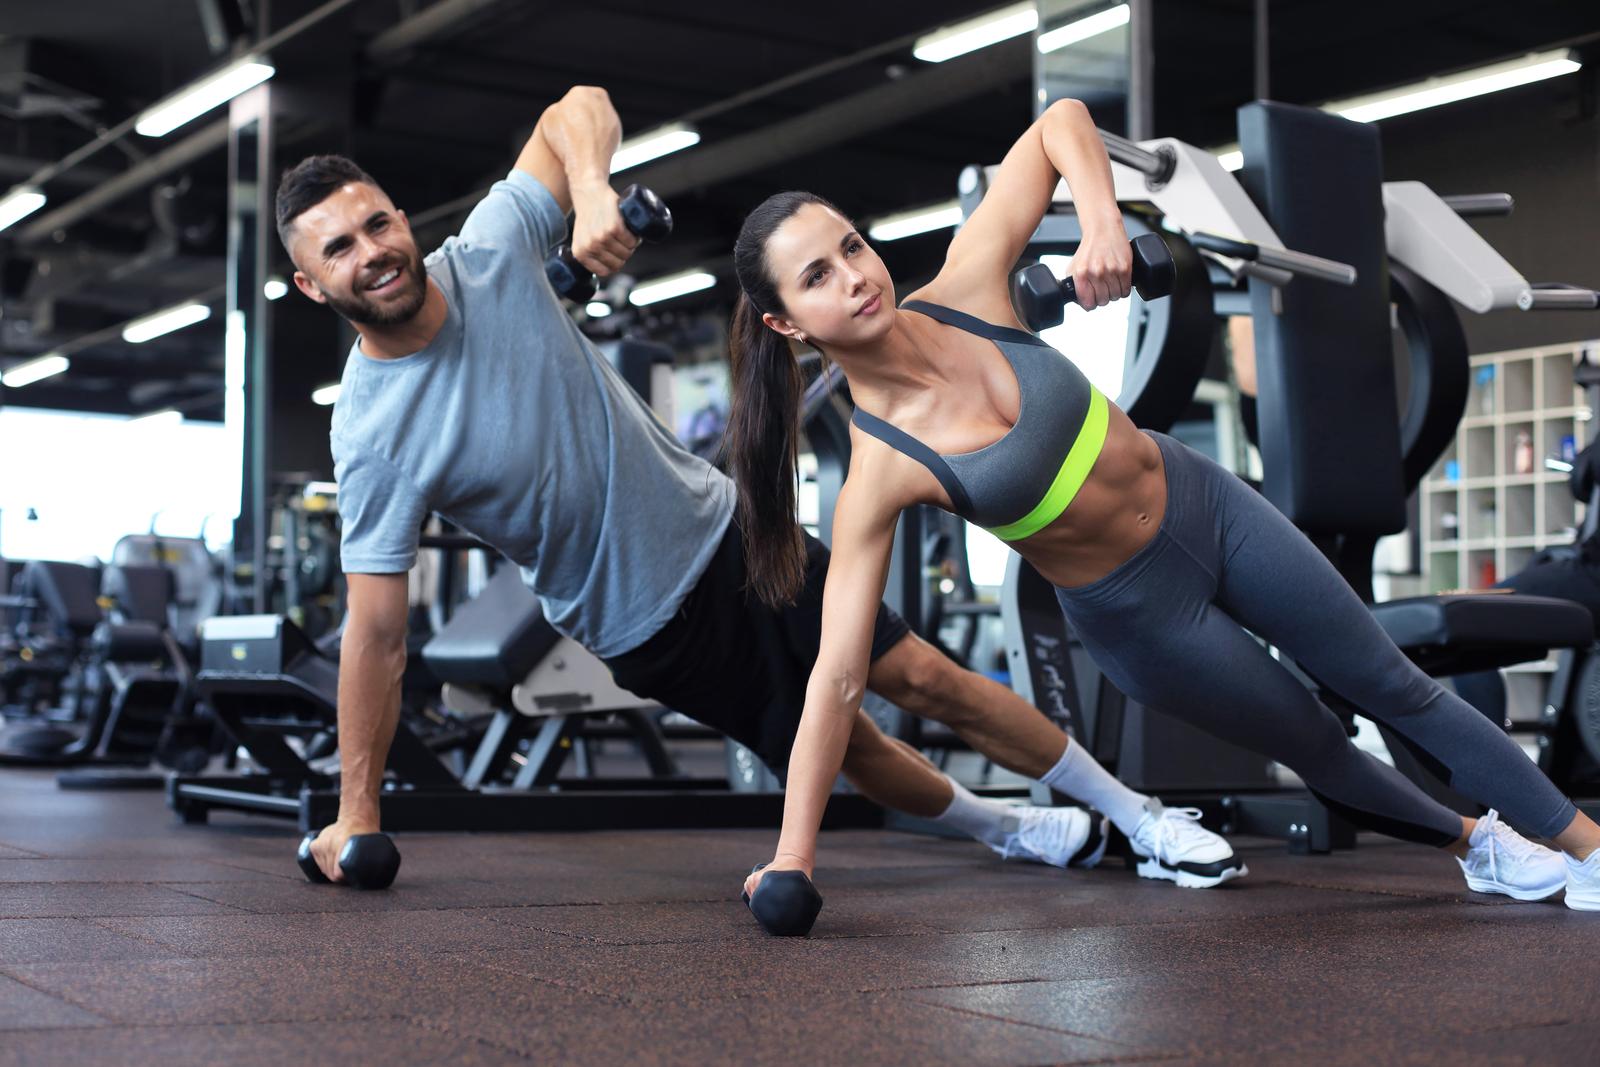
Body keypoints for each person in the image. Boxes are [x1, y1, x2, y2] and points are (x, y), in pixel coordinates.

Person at [274, 85, 1241, 888]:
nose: (373, 251)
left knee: (925, 675)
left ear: (400, 218)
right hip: (645, 624)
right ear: (314, 286)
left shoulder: (490, 251)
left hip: (732, 527)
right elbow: (376, 632)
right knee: (847, 747)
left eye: (377, 222)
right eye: (339, 250)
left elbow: (578, 107)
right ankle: (1008, 827)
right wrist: (359, 809)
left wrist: (593, 193)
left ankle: (1136, 814)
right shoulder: (371, 429)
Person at [728, 96, 1600, 913]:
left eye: (852, 247)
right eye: (817, 276)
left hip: (1206, 504)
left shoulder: (970, 285)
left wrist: (1103, 222)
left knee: (1392, 683)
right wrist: (794, 855)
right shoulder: (881, 469)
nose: (854, 276)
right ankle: (1474, 844)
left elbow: (1061, 121)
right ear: (786, 324)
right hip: (1143, 617)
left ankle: (1588, 848)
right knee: (1315, 743)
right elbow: (838, 676)